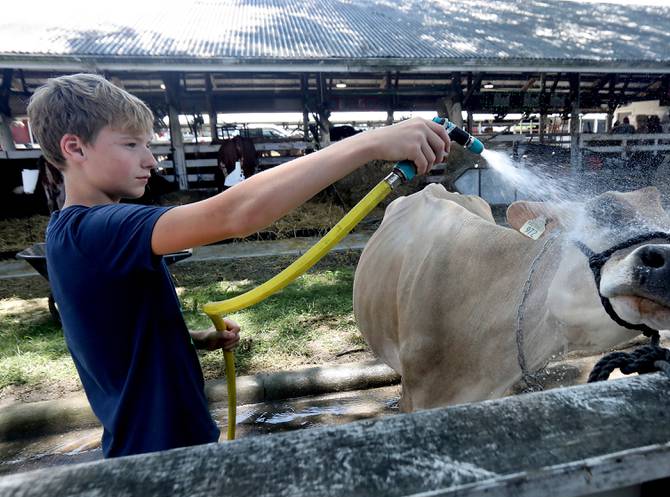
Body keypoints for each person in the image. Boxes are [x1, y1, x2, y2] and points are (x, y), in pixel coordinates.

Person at [26, 74, 450, 458]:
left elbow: (107, 331)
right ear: (75, 147)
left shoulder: (70, 233)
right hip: (163, 453)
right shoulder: (99, 230)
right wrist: (370, 142)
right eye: (131, 144)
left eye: (149, 145)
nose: (151, 160)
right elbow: (237, 214)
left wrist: (192, 338)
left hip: (148, 441)